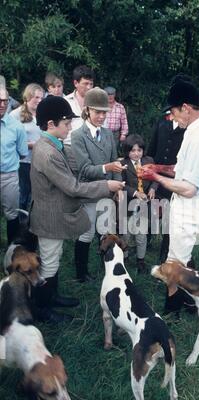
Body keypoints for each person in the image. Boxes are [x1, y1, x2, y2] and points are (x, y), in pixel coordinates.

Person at [30, 96, 124, 323]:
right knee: (50, 262)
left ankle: (53, 296)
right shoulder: (48, 152)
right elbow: (72, 187)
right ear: (51, 125)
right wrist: (106, 186)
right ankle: (41, 309)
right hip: (49, 218)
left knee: (55, 257)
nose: (70, 127)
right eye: (66, 124)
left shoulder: (54, 144)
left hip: (55, 215)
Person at [144, 76, 199, 312]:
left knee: (175, 262)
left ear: (186, 108)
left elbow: (189, 187)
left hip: (192, 204)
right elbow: (180, 168)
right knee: (178, 254)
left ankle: (175, 307)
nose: (172, 117)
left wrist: (154, 178)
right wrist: (158, 168)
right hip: (187, 202)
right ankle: (188, 300)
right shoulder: (193, 130)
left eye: (175, 112)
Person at [71, 87, 124, 282]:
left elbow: (116, 165)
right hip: (90, 192)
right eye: (97, 112)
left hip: (108, 192)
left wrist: (118, 186)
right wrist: (106, 168)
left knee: (106, 231)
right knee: (86, 232)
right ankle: (81, 273)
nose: (102, 116)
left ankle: (108, 268)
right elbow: (84, 169)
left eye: (105, 112)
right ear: (87, 111)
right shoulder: (77, 135)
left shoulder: (109, 134)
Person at [147, 110, 185, 262]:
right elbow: (152, 147)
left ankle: (166, 248)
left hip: (174, 178)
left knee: (171, 215)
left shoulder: (188, 130)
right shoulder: (162, 122)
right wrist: (148, 165)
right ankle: (147, 238)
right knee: (152, 209)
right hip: (155, 176)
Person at [121, 134, 157, 273]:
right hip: (128, 204)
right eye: (133, 150)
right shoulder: (123, 164)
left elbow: (155, 178)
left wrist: (153, 188)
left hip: (144, 205)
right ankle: (124, 257)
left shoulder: (149, 160)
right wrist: (135, 193)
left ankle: (140, 260)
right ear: (127, 151)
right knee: (126, 234)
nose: (136, 154)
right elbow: (121, 184)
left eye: (139, 150)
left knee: (141, 234)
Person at [0, 85, 28, 244]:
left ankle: (12, 249)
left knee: (11, 214)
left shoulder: (16, 126)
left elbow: (23, 152)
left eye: (5, 101)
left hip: (8, 176)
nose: (2, 104)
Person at [10, 83, 44, 211]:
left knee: (37, 195)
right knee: (23, 195)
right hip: (23, 162)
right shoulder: (15, 115)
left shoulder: (42, 113)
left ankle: (34, 224)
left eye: (41, 98)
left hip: (40, 162)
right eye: (36, 97)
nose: (39, 101)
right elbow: (10, 142)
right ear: (28, 97)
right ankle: (18, 223)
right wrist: (32, 145)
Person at [64, 65, 95, 147]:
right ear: (75, 83)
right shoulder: (65, 101)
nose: (89, 87)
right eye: (85, 83)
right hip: (70, 147)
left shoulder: (97, 102)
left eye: (91, 84)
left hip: (92, 147)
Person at [103, 86, 129, 151]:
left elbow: (124, 122)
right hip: (103, 132)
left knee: (113, 152)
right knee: (103, 151)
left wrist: (123, 134)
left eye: (112, 94)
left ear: (115, 95)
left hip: (115, 134)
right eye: (108, 94)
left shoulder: (120, 107)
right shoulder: (101, 106)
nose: (110, 96)